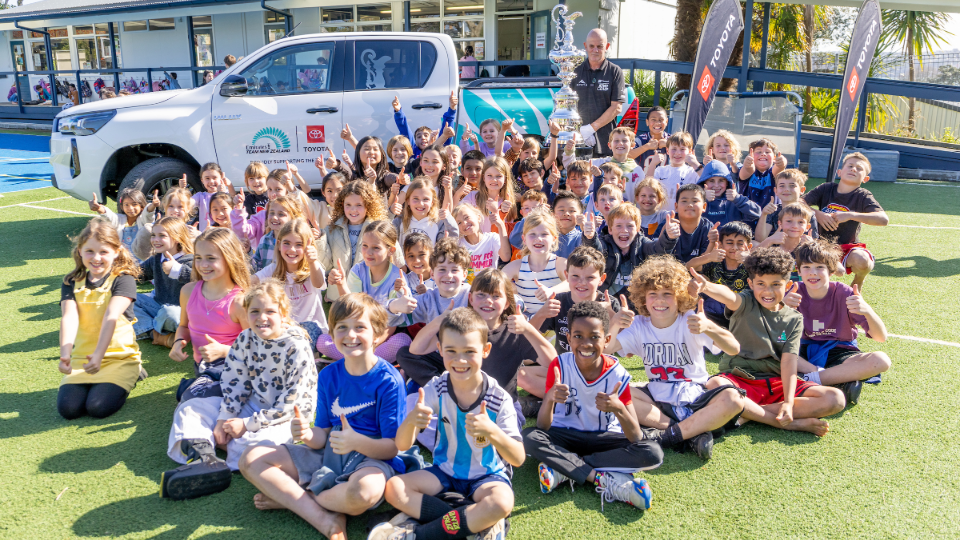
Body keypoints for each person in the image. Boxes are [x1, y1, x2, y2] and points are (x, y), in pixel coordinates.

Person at [240, 294, 411, 540]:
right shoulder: (329, 374)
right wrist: (308, 435)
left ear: (378, 333)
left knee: (363, 493)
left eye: (360, 327)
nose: (350, 336)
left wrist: (355, 442)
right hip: (330, 455)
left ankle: (301, 498)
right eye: (342, 328)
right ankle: (326, 515)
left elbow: (392, 448)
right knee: (251, 457)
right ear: (332, 333)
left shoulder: (389, 380)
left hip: (371, 460)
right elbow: (322, 435)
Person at [372, 308, 524, 540]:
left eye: (469, 352)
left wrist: (492, 431)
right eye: (451, 351)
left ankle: (419, 534)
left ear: (485, 351)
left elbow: (518, 458)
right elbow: (402, 443)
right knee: (394, 488)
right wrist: (412, 421)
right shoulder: (437, 387)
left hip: (487, 477)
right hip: (445, 472)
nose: (460, 360)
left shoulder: (498, 397)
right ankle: (476, 524)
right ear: (440, 349)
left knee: (502, 503)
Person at [160, 279, 317, 499]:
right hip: (252, 405)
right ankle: (206, 458)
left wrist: (246, 425)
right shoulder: (245, 338)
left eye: (270, 311)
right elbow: (235, 382)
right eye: (254, 311)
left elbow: (291, 405)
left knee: (258, 446)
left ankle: (217, 447)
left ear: (283, 313)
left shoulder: (296, 346)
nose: (262, 318)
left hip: (283, 417)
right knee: (191, 408)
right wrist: (225, 417)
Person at [522, 301, 662, 510]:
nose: (586, 343)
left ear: (606, 340)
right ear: (568, 338)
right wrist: (549, 398)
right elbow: (542, 427)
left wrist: (619, 409)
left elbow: (635, 437)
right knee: (529, 438)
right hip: (565, 435)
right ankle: (601, 478)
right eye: (578, 336)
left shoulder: (617, 373)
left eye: (594, 337)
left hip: (604, 438)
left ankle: (563, 468)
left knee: (652, 453)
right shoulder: (559, 365)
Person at [692, 247, 846, 436]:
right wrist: (706, 286)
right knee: (714, 385)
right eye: (761, 284)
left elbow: (789, 362)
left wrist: (789, 403)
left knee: (835, 398)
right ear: (750, 283)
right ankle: (781, 422)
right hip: (739, 378)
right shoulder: (746, 302)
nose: (768, 291)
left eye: (775, 284)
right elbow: (729, 296)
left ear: (787, 284)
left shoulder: (794, 319)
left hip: (775, 383)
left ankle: (746, 413)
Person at [608, 256, 745, 460]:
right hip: (657, 399)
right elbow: (604, 352)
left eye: (667, 294)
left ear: (680, 296)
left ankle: (665, 438)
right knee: (615, 393)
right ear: (643, 298)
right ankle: (691, 434)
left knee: (734, 399)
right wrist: (615, 324)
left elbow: (734, 348)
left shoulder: (691, 319)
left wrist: (710, 327)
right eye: (653, 294)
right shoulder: (638, 325)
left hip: (696, 397)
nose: (660, 300)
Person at [161, 228, 250, 497]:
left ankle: (207, 458)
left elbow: (256, 349)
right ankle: (208, 460)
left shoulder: (240, 300)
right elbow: (185, 327)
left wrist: (224, 350)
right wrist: (178, 342)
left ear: (229, 258)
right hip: (204, 369)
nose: (203, 265)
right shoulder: (189, 291)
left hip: (233, 370)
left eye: (211, 258)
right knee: (195, 400)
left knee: (190, 402)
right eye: (199, 258)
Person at [786, 240, 891, 405]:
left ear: (832, 271)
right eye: (806, 267)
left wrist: (868, 311)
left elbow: (881, 337)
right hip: (801, 351)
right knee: (768, 352)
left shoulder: (844, 293)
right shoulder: (792, 291)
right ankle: (840, 382)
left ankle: (805, 382)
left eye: (820, 267)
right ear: (798, 270)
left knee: (881, 360)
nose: (813, 273)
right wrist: (780, 308)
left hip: (839, 350)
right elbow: (773, 335)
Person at [57, 219, 143, 420]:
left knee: (97, 407)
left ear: (116, 251)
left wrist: (98, 355)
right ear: (80, 251)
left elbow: (111, 316)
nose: (96, 258)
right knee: (69, 409)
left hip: (119, 358)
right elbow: (69, 317)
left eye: (103, 252)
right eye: (90, 251)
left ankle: (135, 370)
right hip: (82, 359)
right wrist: (65, 355)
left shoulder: (123, 279)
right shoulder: (71, 282)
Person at [525, 246, 622, 396]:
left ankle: (560, 400)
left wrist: (611, 314)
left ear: (601, 279)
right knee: (521, 373)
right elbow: (527, 336)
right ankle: (566, 398)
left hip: (599, 373)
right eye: (575, 276)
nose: (582, 283)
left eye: (590, 278)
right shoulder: (558, 301)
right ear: (566, 275)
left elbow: (626, 344)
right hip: (566, 370)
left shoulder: (609, 302)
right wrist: (541, 314)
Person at [803, 152, 888, 289]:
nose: (854, 169)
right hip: (819, 244)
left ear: (865, 179)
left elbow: (883, 219)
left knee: (863, 261)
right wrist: (817, 213)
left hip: (847, 247)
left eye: (859, 168)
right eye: (850, 166)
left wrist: (850, 215)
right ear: (839, 172)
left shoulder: (862, 195)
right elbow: (798, 203)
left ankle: (859, 280)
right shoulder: (826, 188)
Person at [252, 219, 328, 346]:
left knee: (294, 339)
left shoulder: (312, 267)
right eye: (287, 243)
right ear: (279, 245)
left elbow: (319, 284)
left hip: (312, 326)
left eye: (299, 244)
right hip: (283, 327)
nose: (292, 249)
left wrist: (313, 262)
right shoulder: (273, 270)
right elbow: (250, 282)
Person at [583, 203, 679, 300]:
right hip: (606, 304)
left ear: (637, 229)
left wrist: (669, 237)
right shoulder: (605, 243)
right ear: (610, 229)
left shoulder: (642, 243)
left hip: (637, 307)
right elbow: (595, 250)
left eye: (629, 226)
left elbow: (658, 250)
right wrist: (590, 238)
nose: (624, 230)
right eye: (619, 226)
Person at [317, 181, 393, 302]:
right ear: (342, 204)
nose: (353, 210)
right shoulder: (332, 229)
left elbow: (396, 263)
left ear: (368, 205)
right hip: (338, 299)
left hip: (369, 298)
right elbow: (325, 266)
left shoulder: (380, 229)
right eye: (348, 205)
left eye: (359, 205)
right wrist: (319, 240)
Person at [133, 217, 194, 347]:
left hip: (181, 314)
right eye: (153, 235)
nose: (155, 240)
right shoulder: (157, 258)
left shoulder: (190, 259)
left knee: (169, 313)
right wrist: (121, 271)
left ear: (177, 238)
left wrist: (177, 270)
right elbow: (139, 274)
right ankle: (155, 334)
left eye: (162, 236)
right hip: (157, 305)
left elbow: (198, 279)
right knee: (125, 298)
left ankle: (147, 327)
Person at [570, 28, 626, 157]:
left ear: (606, 46)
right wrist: (579, 131)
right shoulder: (575, 71)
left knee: (606, 176)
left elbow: (616, 107)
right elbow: (568, 106)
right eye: (591, 46)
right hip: (579, 140)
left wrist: (591, 128)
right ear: (585, 46)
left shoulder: (615, 72)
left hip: (605, 141)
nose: (595, 50)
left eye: (599, 46)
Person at [502, 210, 568, 317]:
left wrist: (552, 291)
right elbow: (495, 282)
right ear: (524, 239)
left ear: (554, 239)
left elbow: (575, 281)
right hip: (528, 324)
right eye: (532, 234)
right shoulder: (516, 266)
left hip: (554, 324)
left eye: (544, 234)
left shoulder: (560, 264)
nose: (538, 239)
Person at [689, 221, 753, 329]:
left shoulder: (751, 265)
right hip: (716, 312)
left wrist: (751, 260)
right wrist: (709, 257)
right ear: (721, 245)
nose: (735, 247)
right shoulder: (715, 262)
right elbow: (689, 267)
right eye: (730, 242)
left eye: (740, 243)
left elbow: (767, 273)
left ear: (749, 246)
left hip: (743, 311)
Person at [756, 169, 819, 242]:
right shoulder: (774, 211)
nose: (786, 189)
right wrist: (764, 214)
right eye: (782, 186)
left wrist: (811, 242)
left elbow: (815, 242)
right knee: (755, 244)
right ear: (776, 191)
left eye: (792, 186)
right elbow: (760, 240)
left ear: (802, 190)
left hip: (799, 250)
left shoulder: (809, 214)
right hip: (776, 250)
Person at [88, 187, 149, 262]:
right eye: (126, 205)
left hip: (141, 261)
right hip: (121, 261)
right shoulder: (119, 219)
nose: (130, 208)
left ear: (142, 206)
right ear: (122, 207)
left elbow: (148, 214)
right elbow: (109, 216)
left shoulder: (143, 220)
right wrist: (98, 208)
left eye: (134, 204)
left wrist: (152, 206)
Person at [454, 204, 511, 283]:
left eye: (466, 217)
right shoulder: (458, 244)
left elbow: (506, 257)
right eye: (459, 223)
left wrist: (500, 225)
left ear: (478, 217)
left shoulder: (492, 238)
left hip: (489, 287)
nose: (464, 223)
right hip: (468, 291)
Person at [644, 132, 700, 213]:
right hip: (661, 215)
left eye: (682, 149)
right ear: (667, 150)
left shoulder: (693, 172)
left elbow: (706, 180)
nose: (677, 153)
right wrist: (653, 164)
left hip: (685, 216)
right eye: (674, 149)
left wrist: (696, 164)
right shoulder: (660, 170)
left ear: (690, 151)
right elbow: (646, 186)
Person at [737, 138, 789, 225]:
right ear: (751, 155)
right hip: (747, 219)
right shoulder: (748, 171)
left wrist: (782, 163)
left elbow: (778, 169)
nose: (763, 154)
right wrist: (747, 165)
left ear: (774, 157)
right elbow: (747, 171)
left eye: (768, 152)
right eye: (758, 151)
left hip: (771, 221)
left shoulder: (773, 172)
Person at [698, 160, 761, 227]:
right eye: (711, 181)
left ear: (727, 182)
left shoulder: (734, 201)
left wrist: (737, 199)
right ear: (704, 183)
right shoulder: (697, 200)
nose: (716, 185)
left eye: (721, 180)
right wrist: (702, 199)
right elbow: (688, 219)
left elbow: (757, 213)